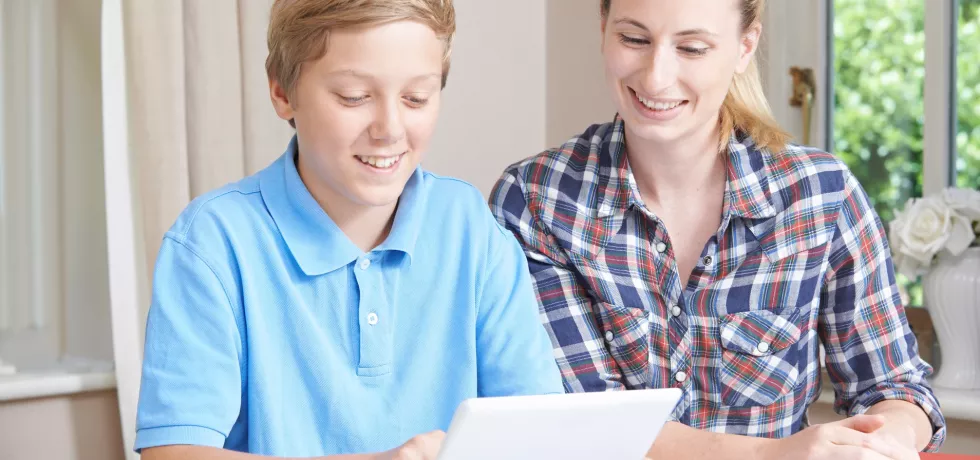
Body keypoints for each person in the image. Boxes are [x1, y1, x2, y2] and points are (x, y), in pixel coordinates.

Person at [490, 0, 946, 459]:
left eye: (691, 48)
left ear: (745, 47)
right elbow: (585, 425)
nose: (656, 78)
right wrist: (774, 455)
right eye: (634, 39)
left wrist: (885, 440)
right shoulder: (537, 199)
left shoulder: (821, 195)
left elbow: (894, 387)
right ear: (604, 29)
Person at [135, 1, 563, 459]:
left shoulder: (470, 229)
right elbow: (173, 454)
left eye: (416, 98)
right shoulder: (213, 243)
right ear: (282, 91)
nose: (389, 129)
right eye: (354, 97)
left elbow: (538, 431)